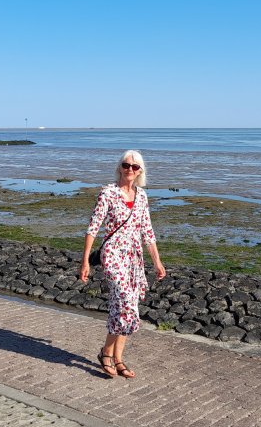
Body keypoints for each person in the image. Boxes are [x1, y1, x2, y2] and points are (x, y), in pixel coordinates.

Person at [79, 150, 166, 379]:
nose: (130, 170)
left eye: (135, 167)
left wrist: (157, 262)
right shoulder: (108, 193)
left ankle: (118, 358)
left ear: (140, 172)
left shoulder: (142, 196)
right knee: (126, 302)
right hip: (113, 256)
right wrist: (85, 261)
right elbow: (93, 227)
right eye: (126, 165)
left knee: (126, 306)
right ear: (119, 167)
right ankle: (106, 352)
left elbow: (147, 231)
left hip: (134, 258)